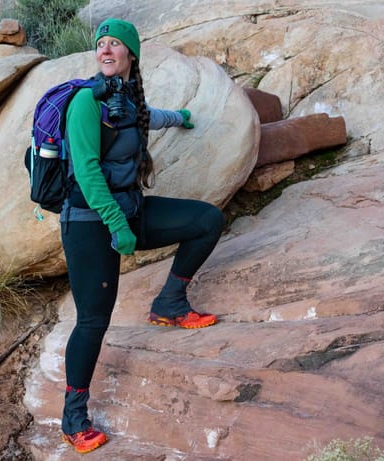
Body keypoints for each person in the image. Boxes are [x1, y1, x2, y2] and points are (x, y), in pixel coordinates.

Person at [59, 18, 225, 454]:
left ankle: (169, 303)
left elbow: (150, 119)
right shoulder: (84, 102)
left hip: (130, 213)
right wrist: (117, 226)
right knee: (93, 321)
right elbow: (89, 172)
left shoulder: (130, 99)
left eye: (115, 44)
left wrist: (182, 117)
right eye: (101, 45)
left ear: (132, 54)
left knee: (206, 220)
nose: (107, 50)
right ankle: (73, 417)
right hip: (90, 223)